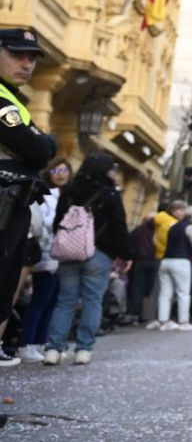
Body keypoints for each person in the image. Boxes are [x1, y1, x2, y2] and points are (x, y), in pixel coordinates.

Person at [41, 152, 135, 365]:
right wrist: (126, 254)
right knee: (92, 300)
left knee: (65, 301)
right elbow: (119, 226)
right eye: (111, 168)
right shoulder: (110, 194)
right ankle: (84, 349)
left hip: (69, 253)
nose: (113, 172)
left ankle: (53, 350)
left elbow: (58, 222)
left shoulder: (71, 191)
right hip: (98, 253)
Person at [0, 29, 57, 368]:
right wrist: (41, 142)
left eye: (32, 58)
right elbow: (38, 149)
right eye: (17, 55)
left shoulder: (13, 99)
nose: (27, 64)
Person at [18, 157, 70, 361]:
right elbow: (43, 222)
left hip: (60, 255)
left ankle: (40, 342)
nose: (61, 174)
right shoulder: (46, 195)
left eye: (65, 170)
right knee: (41, 300)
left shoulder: (67, 196)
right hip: (46, 253)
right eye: (57, 170)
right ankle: (26, 343)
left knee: (52, 301)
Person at [154, 200, 192, 331]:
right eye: (181, 209)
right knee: (183, 293)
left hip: (165, 260)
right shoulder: (187, 227)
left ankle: (163, 321)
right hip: (181, 260)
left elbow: (156, 240)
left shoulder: (168, 226)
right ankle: (183, 322)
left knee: (165, 293)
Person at [127, 212, 159, 326]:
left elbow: (130, 245)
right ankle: (147, 315)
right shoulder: (158, 230)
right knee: (150, 290)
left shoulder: (137, 230)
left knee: (137, 288)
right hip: (154, 261)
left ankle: (135, 314)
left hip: (139, 261)